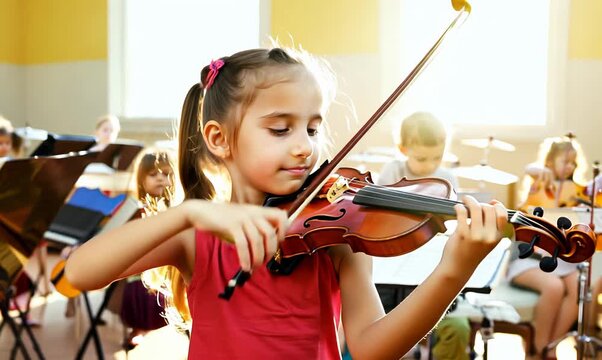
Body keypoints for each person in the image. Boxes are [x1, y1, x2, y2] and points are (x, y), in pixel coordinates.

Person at [65, 47, 508, 359]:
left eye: (313, 129)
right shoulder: (194, 236)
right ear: (219, 139)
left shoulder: (334, 237)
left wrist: (454, 270)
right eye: (281, 129)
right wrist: (189, 211)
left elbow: (373, 348)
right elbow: (80, 272)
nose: (304, 148)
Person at [375, 111, 469, 360]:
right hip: (391, 259)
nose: (429, 166)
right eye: (421, 158)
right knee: (389, 323)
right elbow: (381, 214)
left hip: (429, 258)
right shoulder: (393, 171)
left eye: (437, 157)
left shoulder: (447, 178)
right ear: (403, 149)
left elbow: (451, 223)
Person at [507, 134, 588, 358]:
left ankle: (548, 348)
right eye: (565, 161)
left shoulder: (575, 191)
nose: (570, 166)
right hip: (528, 259)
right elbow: (529, 168)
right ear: (550, 162)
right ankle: (539, 348)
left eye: (574, 162)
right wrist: (539, 171)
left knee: (578, 287)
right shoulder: (539, 184)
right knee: (554, 287)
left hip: (560, 260)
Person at [119, 151, 174, 349]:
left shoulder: (176, 208)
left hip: (170, 267)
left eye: (166, 174)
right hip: (142, 269)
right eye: (153, 175)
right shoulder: (136, 209)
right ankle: (138, 328)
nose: (160, 178)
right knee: (138, 289)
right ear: (141, 180)